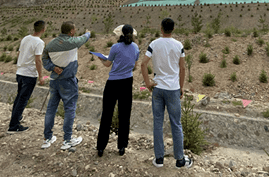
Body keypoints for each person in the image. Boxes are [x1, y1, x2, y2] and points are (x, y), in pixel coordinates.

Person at [141, 18, 193, 169]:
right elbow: (182, 68)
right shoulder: (179, 45)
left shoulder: (154, 44)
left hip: (157, 88)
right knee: (176, 124)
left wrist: (148, 83)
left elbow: (144, 63)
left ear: (161, 28)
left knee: (158, 123)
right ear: (173, 29)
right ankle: (180, 160)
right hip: (173, 89)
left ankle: (159, 159)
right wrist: (181, 87)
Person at [41, 21, 91, 150]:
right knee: (69, 109)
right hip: (68, 81)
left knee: (51, 109)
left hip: (54, 80)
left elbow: (44, 58)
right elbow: (84, 38)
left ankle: (47, 138)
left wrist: (52, 67)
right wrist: (88, 32)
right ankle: (67, 140)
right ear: (71, 32)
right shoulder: (73, 42)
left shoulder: (50, 44)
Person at [96, 24, 140, 157]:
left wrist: (101, 59)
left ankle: (101, 147)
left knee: (107, 114)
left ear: (120, 34)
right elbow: (135, 66)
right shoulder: (135, 47)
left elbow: (108, 64)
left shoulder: (115, 47)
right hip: (127, 82)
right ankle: (122, 146)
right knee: (124, 114)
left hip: (113, 83)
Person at [7, 20, 46, 133]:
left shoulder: (25, 38)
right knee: (22, 100)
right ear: (43, 29)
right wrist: (41, 76)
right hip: (29, 74)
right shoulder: (39, 42)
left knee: (19, 98)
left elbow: (19, 54)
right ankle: (13, 126)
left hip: (20, 72)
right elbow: (38, 60)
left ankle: (16, 119)